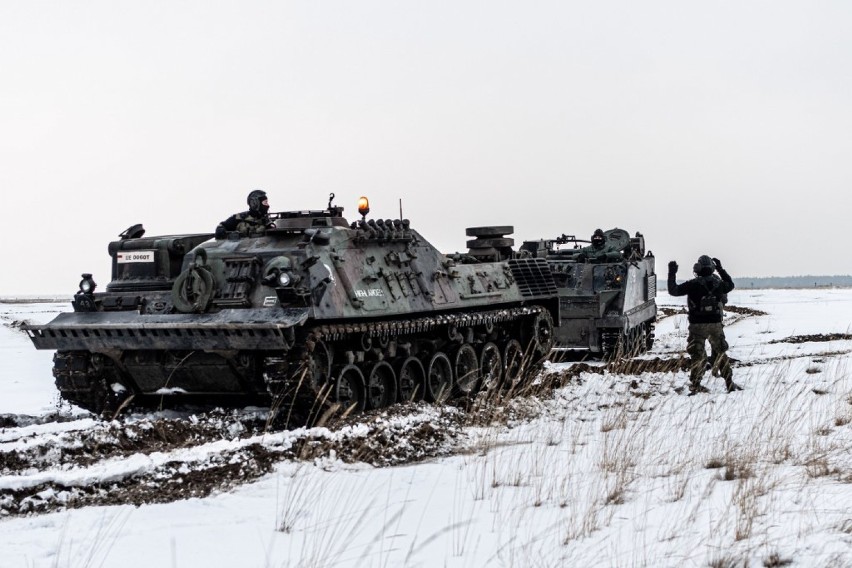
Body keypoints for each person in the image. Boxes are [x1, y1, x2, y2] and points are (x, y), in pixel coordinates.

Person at [667, 255, 742, 394]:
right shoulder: (718, 283)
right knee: (720, 354)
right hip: (715, 325)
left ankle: (696, 385)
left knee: (698, 356)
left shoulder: (693, 284)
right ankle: (729, 383)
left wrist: (672, 272)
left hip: (697, 326)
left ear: (698, 268)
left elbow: (674, 290)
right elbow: (730, 285)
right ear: (712, 268)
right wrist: (721, 269)